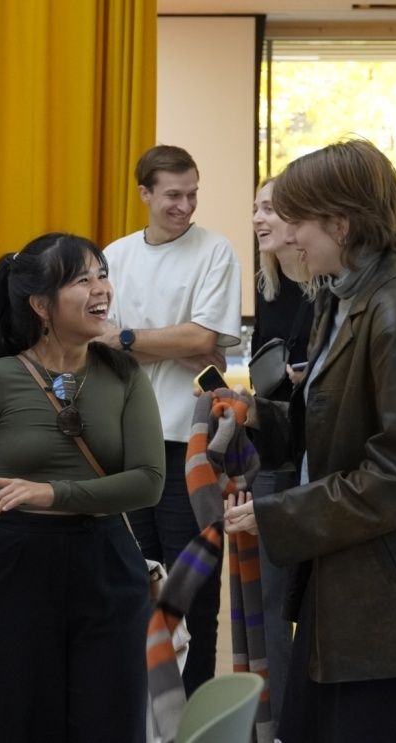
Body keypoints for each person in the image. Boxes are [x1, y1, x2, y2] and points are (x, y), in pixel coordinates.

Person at [225, 139, 396, 743]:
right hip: (342, 577)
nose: (287, 235)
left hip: (382, 593)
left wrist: (280, 514)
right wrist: (259, 418)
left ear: (341, 224)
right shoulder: (342, 301)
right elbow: (332, 430)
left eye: (297, 220)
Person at [0, 233, 165, 743]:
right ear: (40, 304)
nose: (101, 289)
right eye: (82, 279)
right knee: (23, 728)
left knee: (113, 730)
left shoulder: (124, 375)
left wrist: (52, 493)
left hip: (108, 567)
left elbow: (149, 482)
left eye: (103, 275)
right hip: (18, 573)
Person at [98, 144, 241, 694]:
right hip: (131, 442)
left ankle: (193, 711)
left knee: (191, 587)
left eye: (192, 194)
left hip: (192, 445)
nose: (185, 206)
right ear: (145, 194)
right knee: (138, 579)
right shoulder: (116, 256)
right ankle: (145, 706)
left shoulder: (215, 251)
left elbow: (204, 340)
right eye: (173, 195)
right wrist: (178, 340)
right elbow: (96, 340)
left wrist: (128, 337)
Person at [251, 176, 314, 723]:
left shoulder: (332, 288)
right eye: (256, 208)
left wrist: (310, 374)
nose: (259, 219)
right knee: (269, 598)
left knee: (315, 597)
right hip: (273, 452)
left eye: (269, 208)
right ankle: (279, 721)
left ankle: (310, 715)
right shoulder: (267, 285)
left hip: (319, 457)